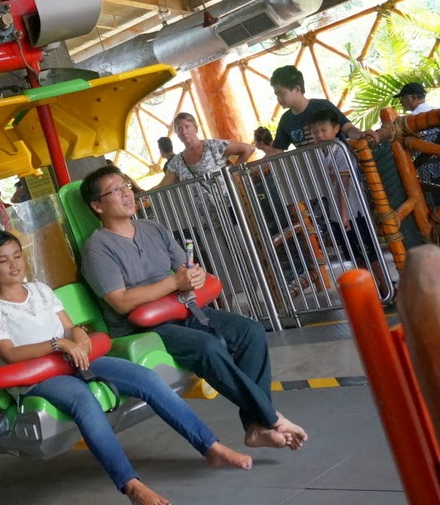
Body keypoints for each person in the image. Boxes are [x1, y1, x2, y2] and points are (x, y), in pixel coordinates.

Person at [0, 230, 252, 505]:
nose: (13, 265)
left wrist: (80, 338)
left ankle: (210, 447)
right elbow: (9, 353)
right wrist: (59, 343)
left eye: (17, 256)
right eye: (2, 260)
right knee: (84, 400)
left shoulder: (40, 290)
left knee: (145, 378)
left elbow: (71, 327)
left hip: (76, 359)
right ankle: (131, 484)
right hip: (38, 376)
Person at [79, 165, 308, 452]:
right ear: (97, 205)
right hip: (144, 327)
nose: (127, 193)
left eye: (126, 185)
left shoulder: (154, 228)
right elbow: (121, 301)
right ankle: (271, 418)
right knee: (208, 347)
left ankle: (254, 426)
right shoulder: (98, 248)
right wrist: (175, 281)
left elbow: (184, 268)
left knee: (250, 331)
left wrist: (194, 275)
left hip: (183, 309)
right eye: (116, 190)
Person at [308, 110, 390, 295]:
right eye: (315, 132)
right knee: (355, 255)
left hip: (353, 212)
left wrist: (344, 215)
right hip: (337, 214)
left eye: (323, 130)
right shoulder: (320, 153)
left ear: (336, 129)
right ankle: (373, 291)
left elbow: (343, 186)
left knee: (369, 253)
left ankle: (387, 287)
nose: (319, 135)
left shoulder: (340, 151)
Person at [261, 65, 382, 155]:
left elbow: (347, 128)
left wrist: (361, 134)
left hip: (341, 164)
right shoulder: (286, 120)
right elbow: (276, 151)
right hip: (316, 173)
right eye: (276, 94)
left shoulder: (322, 106)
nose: (279, 98)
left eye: (281, 93)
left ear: (297, 89)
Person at [158, 113, 256, 188]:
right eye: (179, 129)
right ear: (177, 134)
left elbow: (249, 149)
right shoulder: (177, 161)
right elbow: (163, 185)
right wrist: (144, 195)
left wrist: (234, 172)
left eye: (187, 126)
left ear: (195, 129)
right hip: (204, 213)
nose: (184, 131)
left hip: (229, 204)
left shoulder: (213, 146)